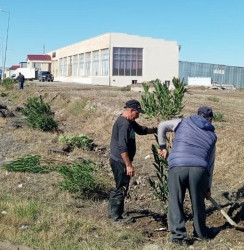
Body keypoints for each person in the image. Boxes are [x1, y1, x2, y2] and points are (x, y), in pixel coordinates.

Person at [157, 106, 217, 245]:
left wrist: (162, 146)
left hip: (177, 165)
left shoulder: (183, 122)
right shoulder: (212, 135)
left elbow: (162, 125)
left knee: (175, 201)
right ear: (210, 119)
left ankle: (178, 237)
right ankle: (201, 234)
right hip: (199, 169)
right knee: (198, 202)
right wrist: (207, 188)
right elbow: (210, 164)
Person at [108, 99, 157, 222]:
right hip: (120, 161)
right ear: (131, 110)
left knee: (120, 185)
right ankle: (116, 217)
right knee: (122, 187)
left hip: (119, 160)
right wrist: (128, 165)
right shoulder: (124, 124)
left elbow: (141, 130)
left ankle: (113, 212)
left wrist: (157, 129)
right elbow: (122, 147)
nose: (139, 115)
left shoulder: (129, 121)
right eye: (138, 112)